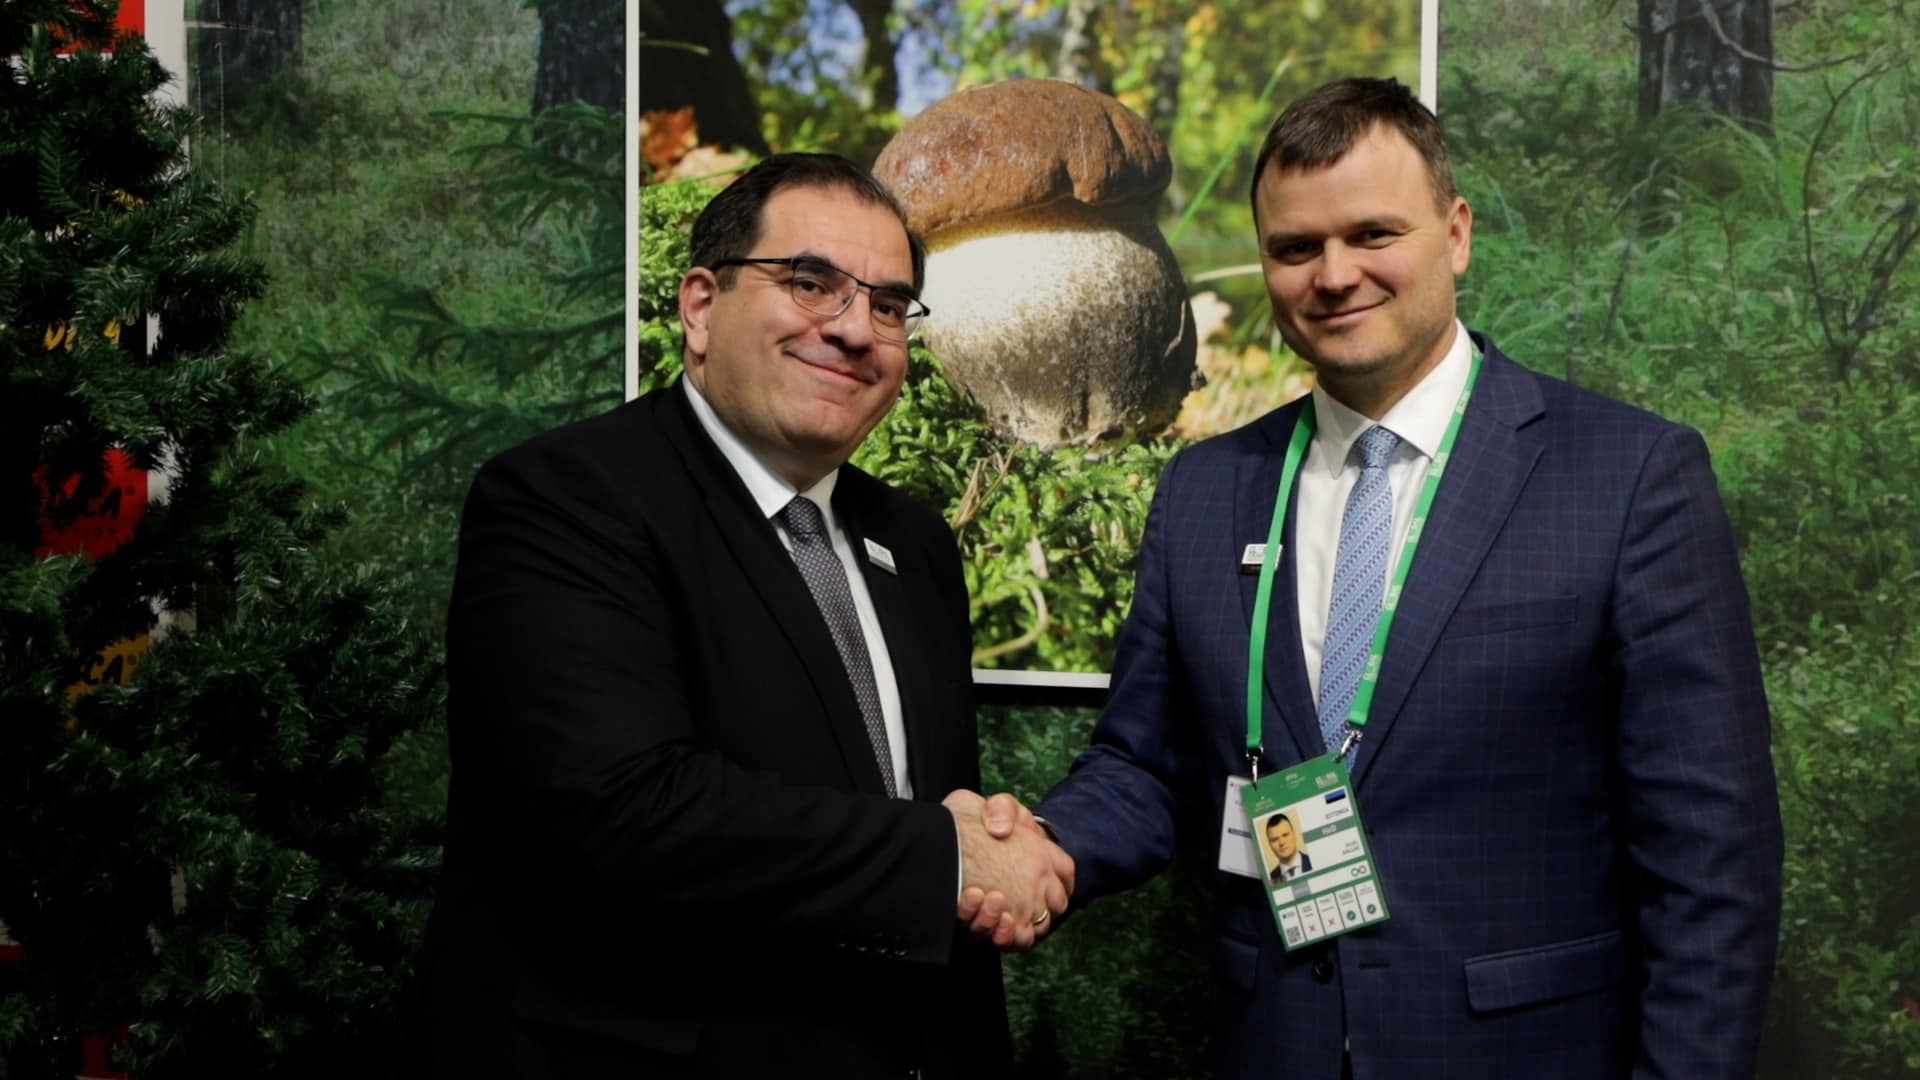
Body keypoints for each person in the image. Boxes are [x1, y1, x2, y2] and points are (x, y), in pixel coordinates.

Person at [1001, 78, 1782, 1078]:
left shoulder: (1625, 477)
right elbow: (1144, 764)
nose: (1334, 276)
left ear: (1455, 234)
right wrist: (1041, 847)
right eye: (1296, 248)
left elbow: (1713, 859)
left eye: (1374, 234)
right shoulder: (1206, 488)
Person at [417, 152, 1072, 1079]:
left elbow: (918, 813)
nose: (855, 330)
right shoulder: (565, 499)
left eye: (889, 306)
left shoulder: (915, 544)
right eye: (810, 283)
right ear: (699, 305)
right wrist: (946, 858)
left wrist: (980, 859)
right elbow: (627, 809)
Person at [1264, 812, 1311, 882]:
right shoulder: (1270, 879)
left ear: (1294, 834)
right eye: (1275, 839)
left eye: (1285, 835)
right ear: (1269, 844)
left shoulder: (1314, 860)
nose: (1281, 843)